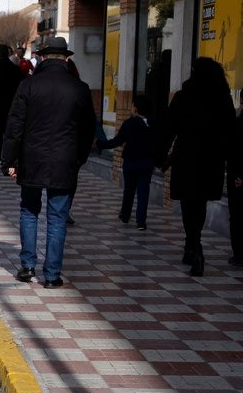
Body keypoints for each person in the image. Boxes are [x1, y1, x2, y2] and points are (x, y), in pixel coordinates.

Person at [0, 36, 96, 288]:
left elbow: (15, 126)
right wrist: (79, 158)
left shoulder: (29, 85)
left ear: (43, 57)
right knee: (57, 217)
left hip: (32, 159)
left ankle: (27, 266)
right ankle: (52, 276)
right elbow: (88, 130)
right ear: (66, 59)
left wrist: (8, 159)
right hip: (65, 161)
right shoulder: (80, 88)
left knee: (29, 211)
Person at [164, 57, 235, 277]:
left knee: (188, 203)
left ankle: (194, 246)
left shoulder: (183, 97)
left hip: (186, 157)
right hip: (210, 160)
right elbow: (229, 129)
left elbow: (170, 127)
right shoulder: (222, 98)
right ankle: (193, 244)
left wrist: (160, 156)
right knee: (200, 203)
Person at [97, 95, 153, 230]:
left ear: (136, 108)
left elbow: (118, 141)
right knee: (143, 192)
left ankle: (125, 215)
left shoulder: (129, 123)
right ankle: (141, 221)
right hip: (147, 163)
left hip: (131, 162)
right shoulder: (153, 124)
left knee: (129, 190)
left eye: (133, 105)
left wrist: (100, 144)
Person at [227, 108, 243, 268]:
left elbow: (232, 152)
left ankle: (238, 254)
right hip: (237, 176)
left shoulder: (237, 124)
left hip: (237, 178)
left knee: (237, 216)